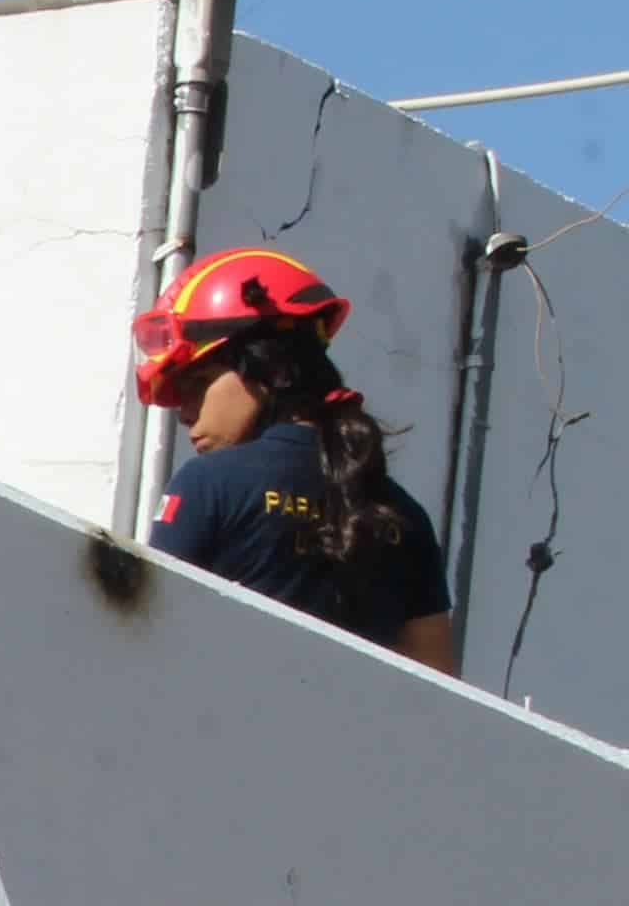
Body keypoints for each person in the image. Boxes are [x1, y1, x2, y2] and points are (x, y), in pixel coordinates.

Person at [138, 249, 457, 673]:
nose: (185, 413)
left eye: (198, 383)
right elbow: (437, 688)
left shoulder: (207, 486)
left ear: (271, 371)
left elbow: (142, 642)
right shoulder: (406, 517)